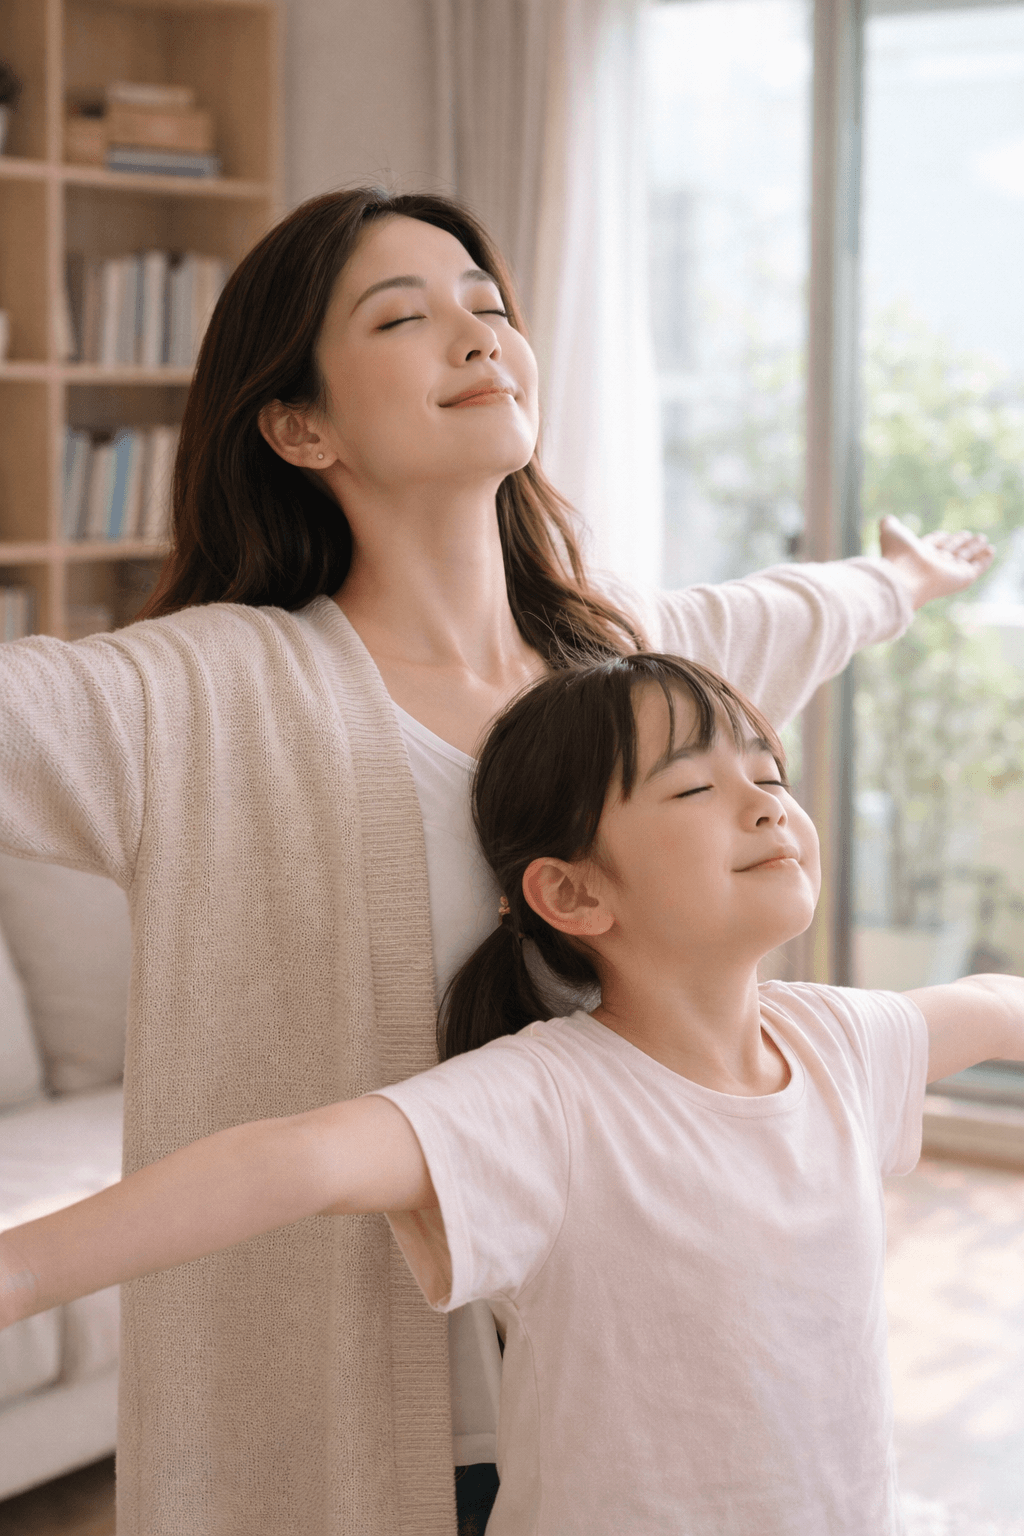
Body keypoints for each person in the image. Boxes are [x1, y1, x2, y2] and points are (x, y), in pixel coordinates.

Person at [0, 186, 994, 1536]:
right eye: (405, 317)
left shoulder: (627, 661)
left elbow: (795, 611)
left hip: (628, 1397)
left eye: (489, 305)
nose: (477, 337)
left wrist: (904, 585)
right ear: (297, 423)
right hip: (352, 1402)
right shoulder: (195, 696)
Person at [2, 653, 1019, 1536]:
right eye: (690, 790)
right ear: (572, 892)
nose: (765, 803)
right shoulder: (551, 1104)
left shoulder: (837, 1042)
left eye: (766, 771)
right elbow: (293, 1160)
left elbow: (991, 1000)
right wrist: (22, 1273)